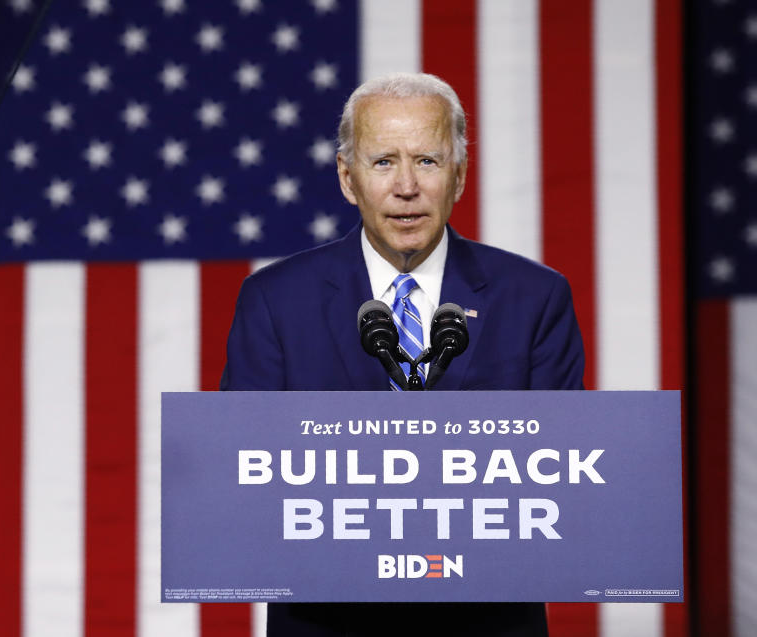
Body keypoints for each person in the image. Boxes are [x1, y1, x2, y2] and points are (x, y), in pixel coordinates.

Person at [221, 72, 584, 636]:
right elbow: (243, 477)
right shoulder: (275, 301)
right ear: (348, 178)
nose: (406, 186)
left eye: (429, 161)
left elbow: (563, 479)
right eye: (383, 162)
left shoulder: (534, 298)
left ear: (459, 176)